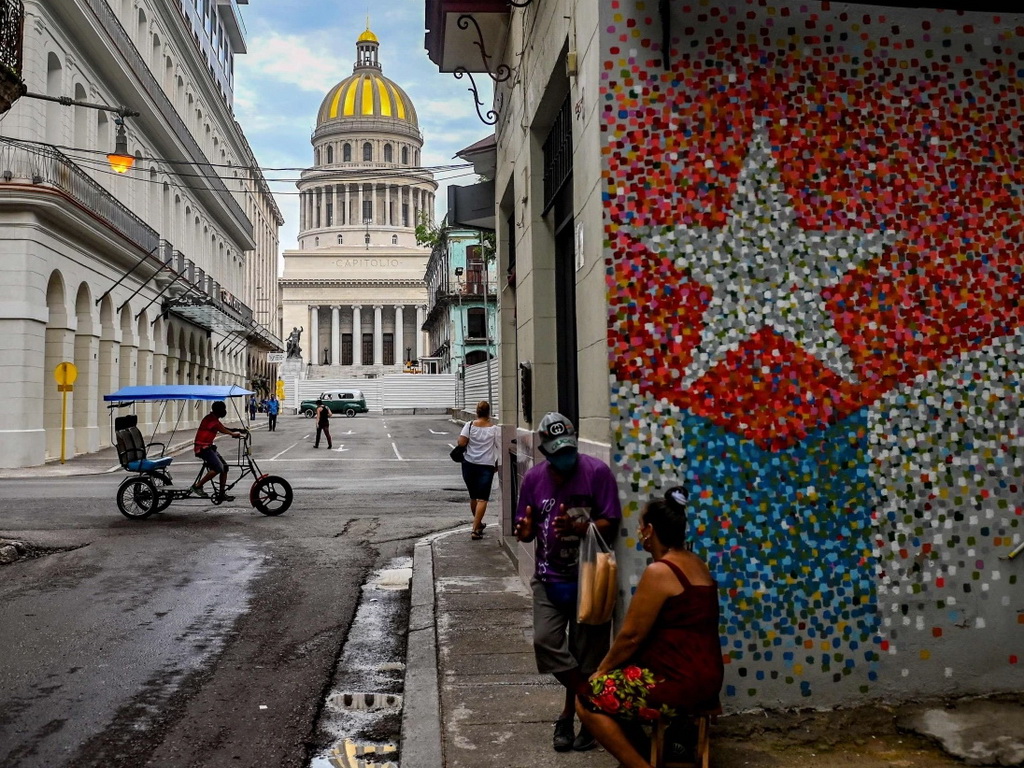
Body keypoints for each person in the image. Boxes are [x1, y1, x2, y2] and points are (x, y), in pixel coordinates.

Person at [576, 487, 724, 768]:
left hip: (678, 682)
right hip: (707, 678)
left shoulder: (661, 571)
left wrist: (602, 669)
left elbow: (631, 637)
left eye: (641, 525)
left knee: (587, 697)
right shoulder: (697, 563)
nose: (639, 530)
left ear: (651, 530)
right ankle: (645, 755)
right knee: (620, 683)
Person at [514, 412, 622, 753]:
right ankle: (590, 702)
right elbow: (525, 524)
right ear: (545, 451)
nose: (566, 457)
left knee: (586, 657)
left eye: (569, 449)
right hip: (549, 578)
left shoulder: (596, 472)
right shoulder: (533, 479)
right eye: (557, 452)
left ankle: (571, 718)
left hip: (590, 577)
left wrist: (581, 528)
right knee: (546, 641)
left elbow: (612, 521)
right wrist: (526, 531)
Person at [455, 400, 501, 540]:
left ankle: (478, 523)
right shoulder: (494, 429)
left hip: (469, 464)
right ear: (488, 413)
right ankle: (475, 529)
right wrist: (497, 464)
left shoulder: (469, 426)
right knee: (483, 499)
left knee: (473, 496)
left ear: (477, 412)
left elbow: (461, 443)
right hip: (486, 466)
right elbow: (500, 447)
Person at [192, 401, 244, 501]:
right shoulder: (212, 420)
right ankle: (197, 486)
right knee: (218, 468)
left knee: (225, 468)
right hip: (202, 448)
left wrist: (238, 430)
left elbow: (223, 427)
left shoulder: (213, 418)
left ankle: (221, 493)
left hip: (209, 447)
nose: (225, 411)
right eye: (223, 409)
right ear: (219, 410)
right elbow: (223, 429)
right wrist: (233, 434)